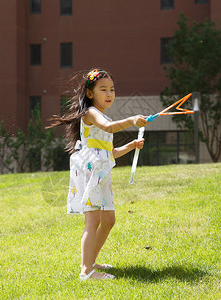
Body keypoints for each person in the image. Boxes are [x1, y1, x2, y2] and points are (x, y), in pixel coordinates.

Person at [48, 68, 149, 280]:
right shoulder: (91, 113)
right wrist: (131, 120)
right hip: (89, 173)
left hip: (101, 172)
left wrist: (131, 145)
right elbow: (109, 128)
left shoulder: (103, 115)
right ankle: (86, 271)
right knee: (92, 221)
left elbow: (109, 153)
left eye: (112, 89)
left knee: (109, 220)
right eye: (103, 89)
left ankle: (91, 261)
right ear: (90, 93)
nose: (109, 93)